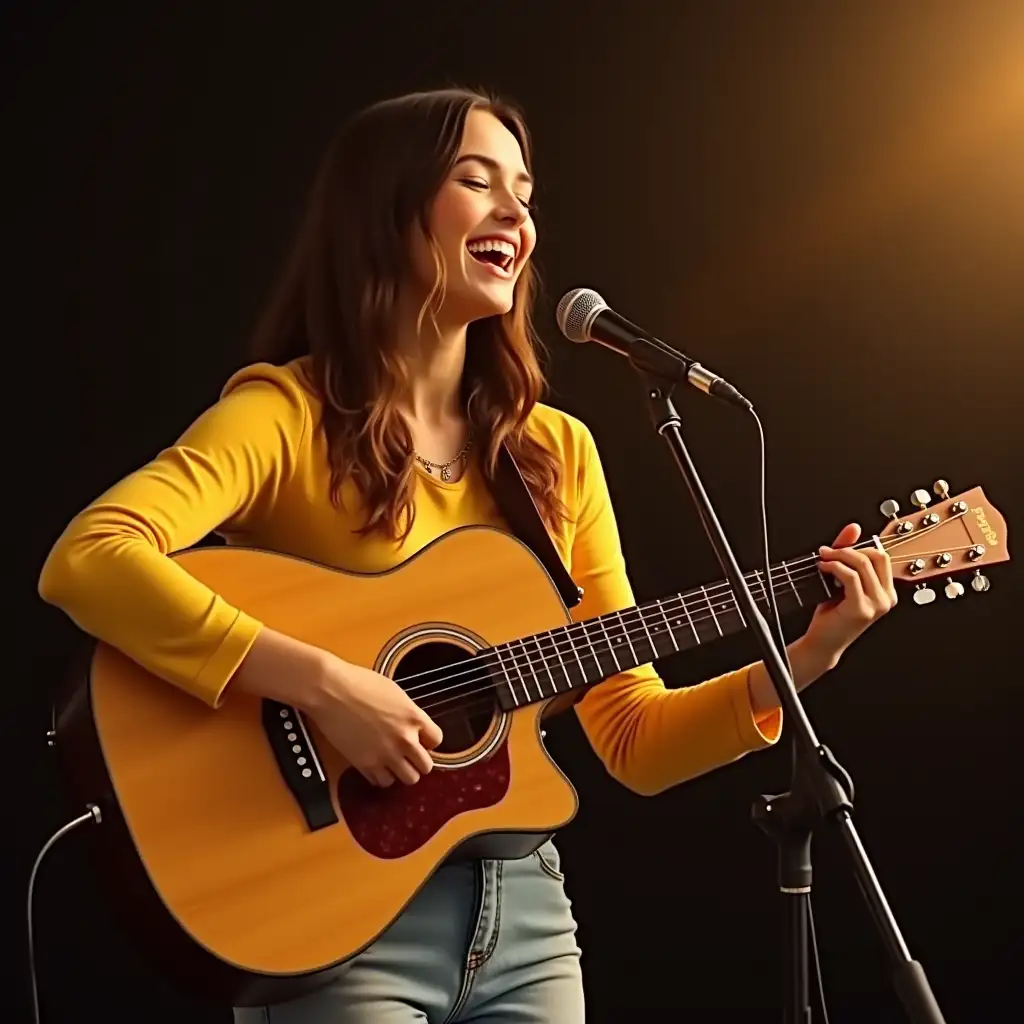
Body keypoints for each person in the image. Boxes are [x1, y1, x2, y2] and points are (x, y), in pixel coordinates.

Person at [38, 87, 897, 1023]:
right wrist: (324, 684)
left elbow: (634, 740)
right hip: (330, 925)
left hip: (526, 921)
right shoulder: (286, 417)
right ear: (387, 209)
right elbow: (89, 556)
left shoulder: (555, 453)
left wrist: (804, 658)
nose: (515, 214)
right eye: (474, 180)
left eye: (524, 192)